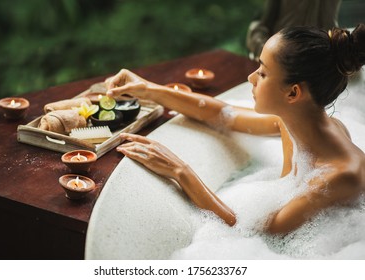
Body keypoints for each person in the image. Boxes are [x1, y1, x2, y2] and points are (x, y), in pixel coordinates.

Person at [104, 24, 365, 234]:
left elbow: (260, 232)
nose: (250, 78)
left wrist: (179, 170)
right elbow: (222, 114)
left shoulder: (342, 175)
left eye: (262, 73)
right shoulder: (295, 119)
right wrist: (148, 89)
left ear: (293, 92)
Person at [246, 0, 342, 60]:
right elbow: (258, 26)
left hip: (316, 65)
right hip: (279, 58)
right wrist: (268, 53)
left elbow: (330, 25)